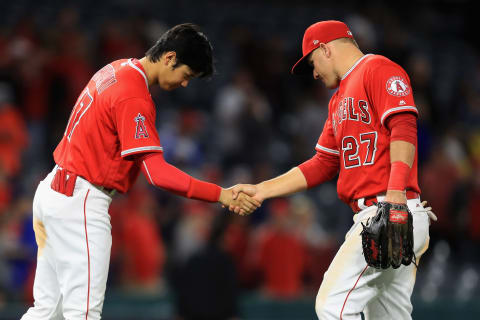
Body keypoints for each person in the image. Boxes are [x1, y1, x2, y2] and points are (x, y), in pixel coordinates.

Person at [21, 23, 259, 320]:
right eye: (186, 75)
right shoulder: (133, 93)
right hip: (79, 202)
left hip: (54, 192)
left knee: (47, 311)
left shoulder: (118, 68)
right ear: (170, 57)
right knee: (82, 314)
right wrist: (221, 194)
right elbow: (157, 174)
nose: (185, 84)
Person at [231, 20, 437, 319]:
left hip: (388, 209)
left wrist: (395, 195)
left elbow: (404, 128)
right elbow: (323, 164)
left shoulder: (377, 68)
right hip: (386, 213)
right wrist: (262, 190)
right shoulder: (337, 100)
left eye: (312, 62)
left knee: (332, 305)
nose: (313, 73)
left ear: (325, 49)